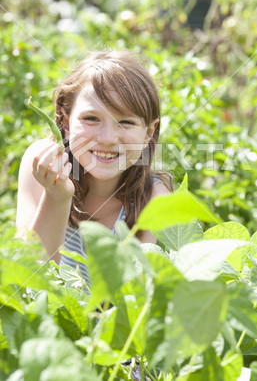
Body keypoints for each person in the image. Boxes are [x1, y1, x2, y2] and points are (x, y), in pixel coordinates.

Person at [16, 49, 172, 286]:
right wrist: (56, 197)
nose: (108, 138)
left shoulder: (155, 200)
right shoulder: (41, 166)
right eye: (91, 118)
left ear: (149, 132)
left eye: (126, 122)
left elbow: (137, 306)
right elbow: (27, 281)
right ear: (65, 120)